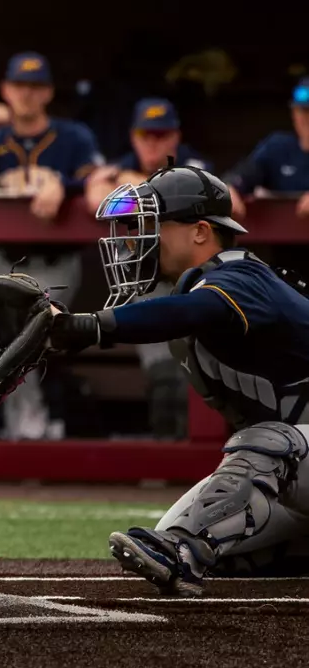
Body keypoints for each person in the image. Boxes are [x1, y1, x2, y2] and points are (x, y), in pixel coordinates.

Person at [41, 164, 309, 596]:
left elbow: (190, 312)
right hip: (300, 476)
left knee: (262, 445)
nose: (138, 238)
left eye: (154, 225)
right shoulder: (201, 288)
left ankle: (181, 548)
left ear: (201, 231)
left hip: (293, 453)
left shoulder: (241, 276)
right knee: (208, 536)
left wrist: (87, 326)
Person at [0, 50, 103, 439]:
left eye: (35, 87)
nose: (27, 95)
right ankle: (23, 433)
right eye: (19, 86)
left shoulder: (72, 137)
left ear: (48, 92)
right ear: (6, 89)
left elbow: (101, 178)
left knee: (37, 341)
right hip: (4, 259)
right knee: (4, 346)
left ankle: (39, 431)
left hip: (55, 259)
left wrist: (62, 185)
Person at [84, 97, 210, 439]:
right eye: (146, 135)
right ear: (134, 136)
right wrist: (122, 181)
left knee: (196, 373)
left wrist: (138, 184)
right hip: (148, 280)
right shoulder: (119, 164)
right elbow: (97, 199)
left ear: (175, 137)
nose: (153, 143)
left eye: (162, 134)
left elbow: (223, 200)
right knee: (162, 374)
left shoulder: (193, 166)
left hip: (194, 282)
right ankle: (165, 454)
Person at [223, 76, 309, 219]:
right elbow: (243, 174)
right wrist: (229, 188)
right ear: (293, 114)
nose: (307, 118)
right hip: (280, 236)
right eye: (303, 111)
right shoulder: (278, 147)